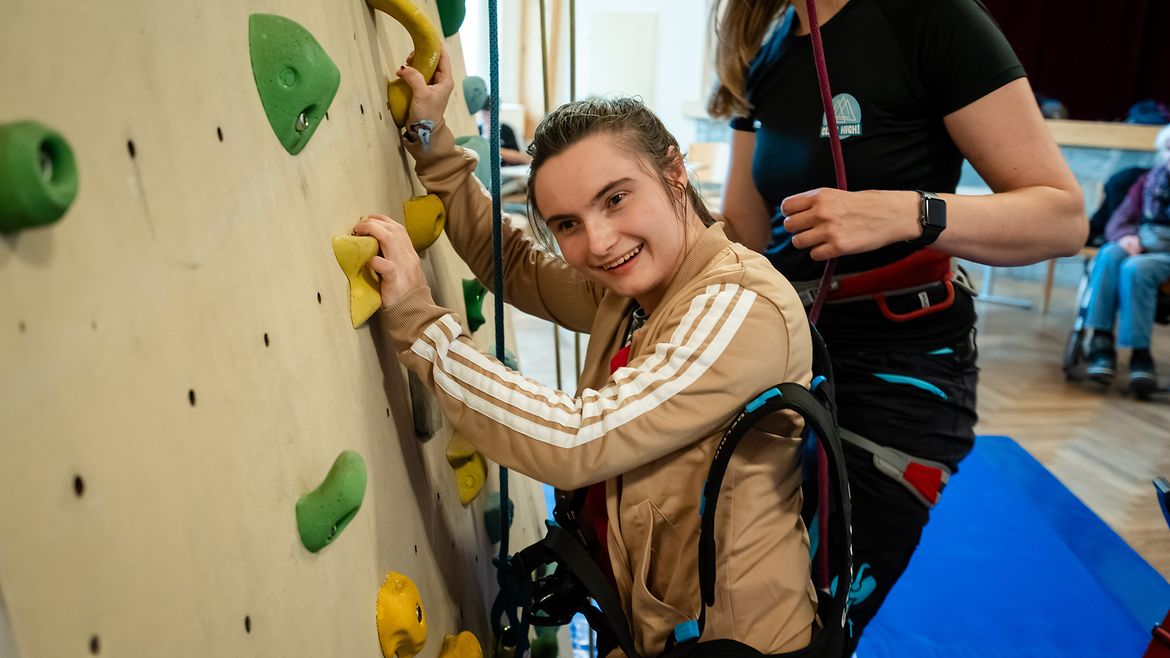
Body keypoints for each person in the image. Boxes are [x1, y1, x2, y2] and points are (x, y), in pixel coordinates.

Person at [356, 50, 819, 656]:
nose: (599, 242)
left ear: (674, 170)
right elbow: (516, 266)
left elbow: (577, 440)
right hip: (650, 628)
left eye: (616, 199)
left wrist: (421, 324)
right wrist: (430, 138)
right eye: (568, 224)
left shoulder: (739, 306)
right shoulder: (638, 288)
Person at [709, 0, 1085, 648]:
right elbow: (743, 229)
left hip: (900, 371)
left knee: (811, 629)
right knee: (735, 604)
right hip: (785, 356)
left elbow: (1063, 219)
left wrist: (909, 212)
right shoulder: (764, 47)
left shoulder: (933, 18)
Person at [1084, 125, 1170, 392]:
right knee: (1110, 253)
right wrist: (1126, 236)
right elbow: (1119, 220)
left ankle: (1140, 354)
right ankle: (1100, 341)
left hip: (1163, 255)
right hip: (1145, 244)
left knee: (1136, 267)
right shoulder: (1148, 181)